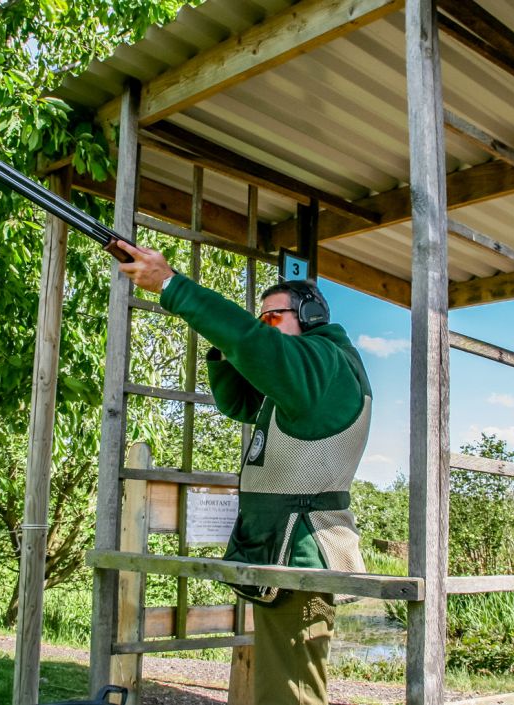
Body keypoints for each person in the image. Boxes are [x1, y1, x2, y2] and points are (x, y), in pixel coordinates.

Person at [117, 240, 372, 705]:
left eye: (273, 317)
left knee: (290, 694)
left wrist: (172, 285)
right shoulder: (310, 376)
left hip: (300, 552)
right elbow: (237, 400)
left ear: (311, 317)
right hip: (285, 551)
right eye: (262, 320)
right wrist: (232, 340)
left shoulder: (322, 365)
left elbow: (252, 344)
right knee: (284, 685)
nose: (264, 327)